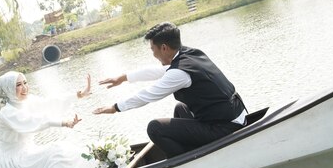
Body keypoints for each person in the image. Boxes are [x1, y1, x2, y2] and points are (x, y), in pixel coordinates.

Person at [93, 22, 246, 158]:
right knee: (181, 109)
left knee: (155, 128)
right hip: (235, 115)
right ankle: (189, 150)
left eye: (153, 49)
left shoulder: (179, 72)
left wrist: (115, 108)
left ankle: (186, 163)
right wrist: (123, 78)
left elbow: (147, 95)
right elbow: (156, 72)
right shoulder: (190, 54)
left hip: (226, 126)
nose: (153, 54)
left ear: (164, 48)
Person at [0, 71, 94, 168]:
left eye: (25, 83)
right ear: (8, 89)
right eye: (18, 85)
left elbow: (49, 103)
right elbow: (33, 121)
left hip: (29, 152)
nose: (24, 88)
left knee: (67, 150)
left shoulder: (27, 101)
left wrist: (79, 95)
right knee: (57, 152)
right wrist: (64, 122)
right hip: (14, 162)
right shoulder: (6, 113)